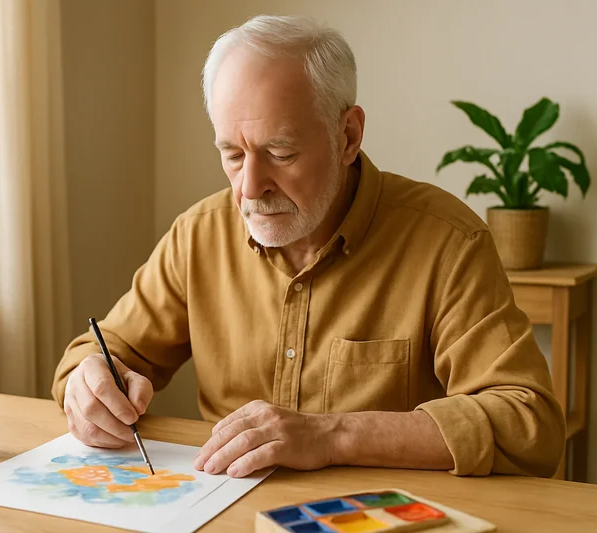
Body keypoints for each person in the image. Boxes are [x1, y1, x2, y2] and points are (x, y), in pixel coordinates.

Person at [51, 15, 565, 479]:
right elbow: (102, 352)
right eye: (232, 154)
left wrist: (332, 435)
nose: (250, 187)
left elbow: (529, 422)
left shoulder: (447, 242)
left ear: (348, 136)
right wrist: (88, 383)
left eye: (280, 153)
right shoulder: (199, 235)